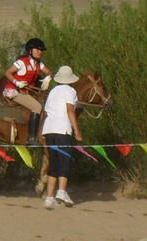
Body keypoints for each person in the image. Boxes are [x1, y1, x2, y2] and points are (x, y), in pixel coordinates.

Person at [41, 65, 83, 209]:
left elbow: (46, 111)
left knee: (53, 162)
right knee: (65, 160)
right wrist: (77, 131)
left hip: (49, 130)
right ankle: (62, 191)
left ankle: (49, 197)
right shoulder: (71, 91)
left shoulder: (52, 91)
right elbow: (70, 110)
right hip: (62, 129)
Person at [3, 38, 54, 143]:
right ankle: (32, 137)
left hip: (27, 91)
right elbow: (7, 73)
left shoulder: (39, 64)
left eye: (41, 50)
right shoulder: (21, 62)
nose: (40, 52)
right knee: (37, 107)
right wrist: (17, 82)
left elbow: (49, 72)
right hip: (13, 90)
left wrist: (48, 78)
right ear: (30, 50)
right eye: (38, 49)